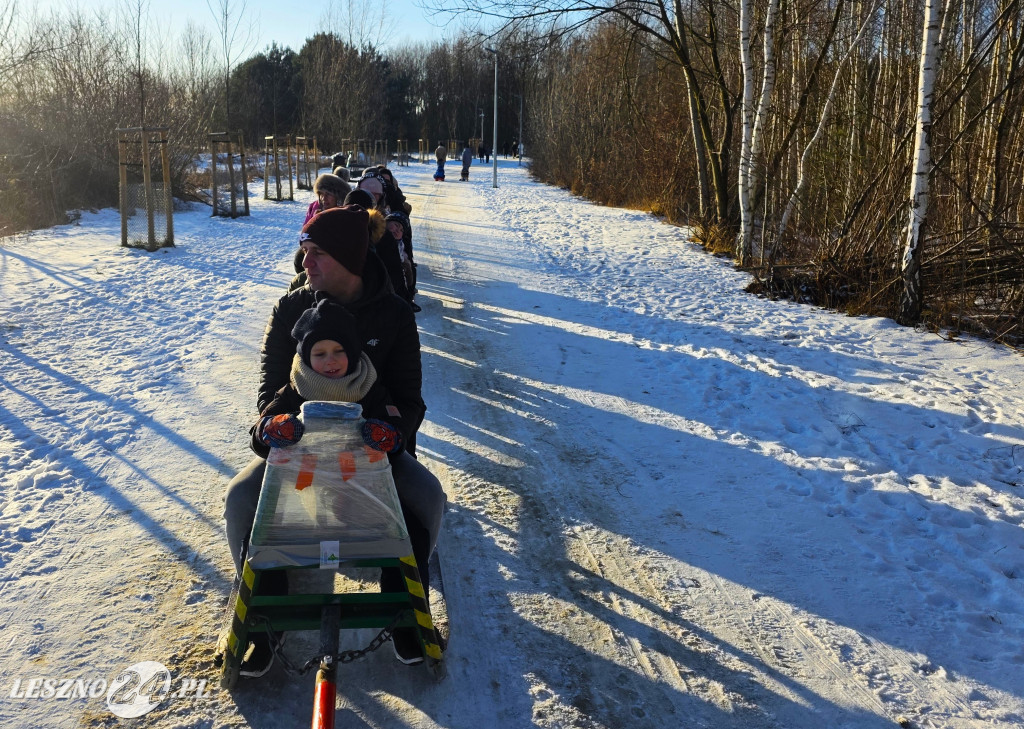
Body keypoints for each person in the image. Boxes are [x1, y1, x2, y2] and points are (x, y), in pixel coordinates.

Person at [224, 205, 445, 674]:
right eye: (304, 252)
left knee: (426, 499)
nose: (305, 263)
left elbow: (410, 400)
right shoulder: (290, 309)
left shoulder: (394, 315)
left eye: (316, 253)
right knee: (241, 499)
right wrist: (276, 426)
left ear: (348, 257)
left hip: (372, 451)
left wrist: (392, 434)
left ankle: (405, 604)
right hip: (299, 452)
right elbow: (269, 394)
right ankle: (264, 615)